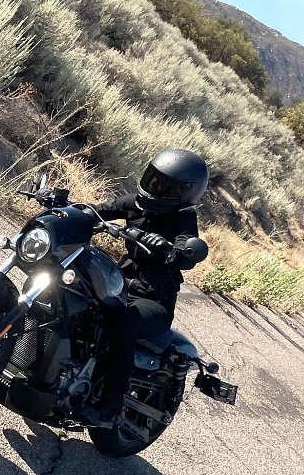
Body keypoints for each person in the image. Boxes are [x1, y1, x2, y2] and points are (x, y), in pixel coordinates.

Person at [85, 148, 210, 422]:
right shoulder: (136, 204)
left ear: (186, 193)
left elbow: (187, 247)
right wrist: (70, 208)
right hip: (120, 284)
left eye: (168, 187)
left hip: (153, 301)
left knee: (122, 322)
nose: (157, 188)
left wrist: (172, 249)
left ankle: (109, 404)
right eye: (154, 179)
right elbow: (101, 209)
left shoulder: (183, 218)